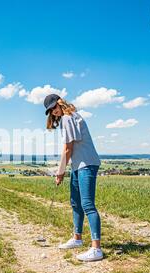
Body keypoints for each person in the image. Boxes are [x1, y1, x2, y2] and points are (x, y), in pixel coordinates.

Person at [44, 94, 103, 262]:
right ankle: (77, 238)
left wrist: (60, 172)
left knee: (87, 205)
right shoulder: (69, 117)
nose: (54, 112)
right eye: (51, 110)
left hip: (87, 164)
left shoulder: (67, 118)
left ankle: (96, 249)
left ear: (60, 103)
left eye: (55, 107)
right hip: (78, 165)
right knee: (75, 202)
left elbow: (67, 149)